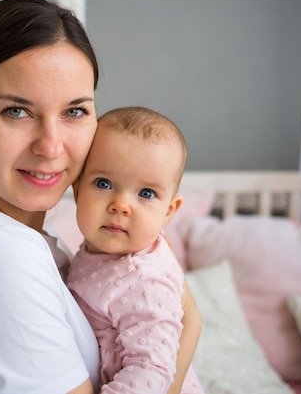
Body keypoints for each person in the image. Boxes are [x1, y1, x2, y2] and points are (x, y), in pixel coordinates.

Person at [0, 0, 200, 394]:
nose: (51, 147)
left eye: (74, 112)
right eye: (17, 111)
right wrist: (190, 326)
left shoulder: (21, 239)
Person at [67, 107, 204, 394]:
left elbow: (151, 371)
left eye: (146, 193)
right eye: (103, 184)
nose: (121, 205)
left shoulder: (144, 279)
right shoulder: (102, 251)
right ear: (77, 190)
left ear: (168, 211)